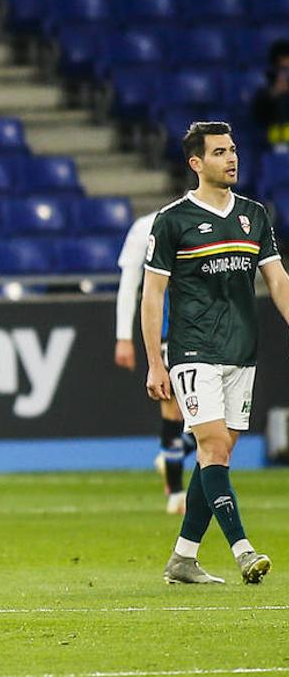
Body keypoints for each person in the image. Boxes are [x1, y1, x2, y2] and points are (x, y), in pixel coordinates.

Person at [145, 121, 286, 585]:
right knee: (212, 445)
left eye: (233, 149)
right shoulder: (172, 221)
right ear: (196, 163)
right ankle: (243, 551)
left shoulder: (254, 215)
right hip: (193, 350)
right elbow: (152, 296)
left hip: (241, 352)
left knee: (217, 455)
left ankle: (183, 557)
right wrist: (154, 359)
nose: (232, 158)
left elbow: (278, 281)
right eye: (220, 152)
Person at [115, 211, 194, 515]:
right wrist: (123, 336)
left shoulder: (206, 219)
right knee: (173, 407)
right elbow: (129, 283)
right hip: (171, 332)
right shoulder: (143, 228)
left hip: (210, 330)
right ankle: (175, 492)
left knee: (225, 414)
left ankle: (172, 455)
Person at [250, 39, 289, 150]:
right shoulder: (265, 87)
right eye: (283, 69)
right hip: (273, 142)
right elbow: (257, 116)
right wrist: (274, 93)